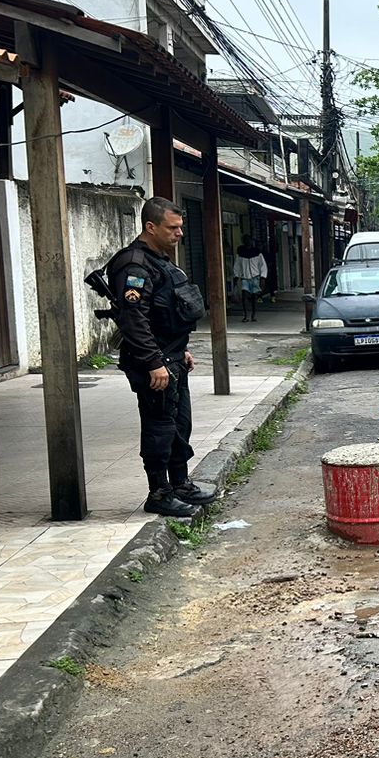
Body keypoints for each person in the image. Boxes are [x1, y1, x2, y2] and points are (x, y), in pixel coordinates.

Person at [106, 197, 212, 519]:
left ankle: (180, 484)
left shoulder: (159, 261)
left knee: (180, 423)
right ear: (151, 227)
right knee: (159, 426)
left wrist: (181, 350)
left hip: (173, 357)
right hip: (153, 363)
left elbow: (164, 315)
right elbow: (134, 319)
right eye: (173, 227)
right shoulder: (134, 265)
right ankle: (159, 493)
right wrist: (154, 362)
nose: (180, 233)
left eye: (181, 227)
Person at [232, 238, 268, 323]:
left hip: (255, 277)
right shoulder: (240, 253)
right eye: (247, 241)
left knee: (253, 297)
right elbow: (237, 265)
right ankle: (246, 315)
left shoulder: (257, 253)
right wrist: (236, 276)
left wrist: (263, 277)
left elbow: (262, 265)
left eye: (250, 241)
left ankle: (253, 315)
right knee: (244, 296)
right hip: (245, 278)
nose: (248, 242)